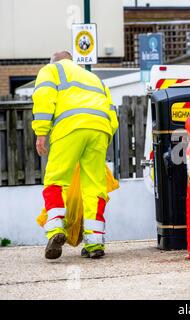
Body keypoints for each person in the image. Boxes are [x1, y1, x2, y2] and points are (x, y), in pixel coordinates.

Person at [32, 51, 118, 259]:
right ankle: (95, 242)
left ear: (54, 61)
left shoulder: (51, 70)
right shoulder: (94, 78)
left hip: (70, 128)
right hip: (100, 130)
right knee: (94, 186)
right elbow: (112, 111)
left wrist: (41, 132)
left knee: (56, 179)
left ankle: (55, 230)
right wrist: (104, 135)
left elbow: (44, 97)